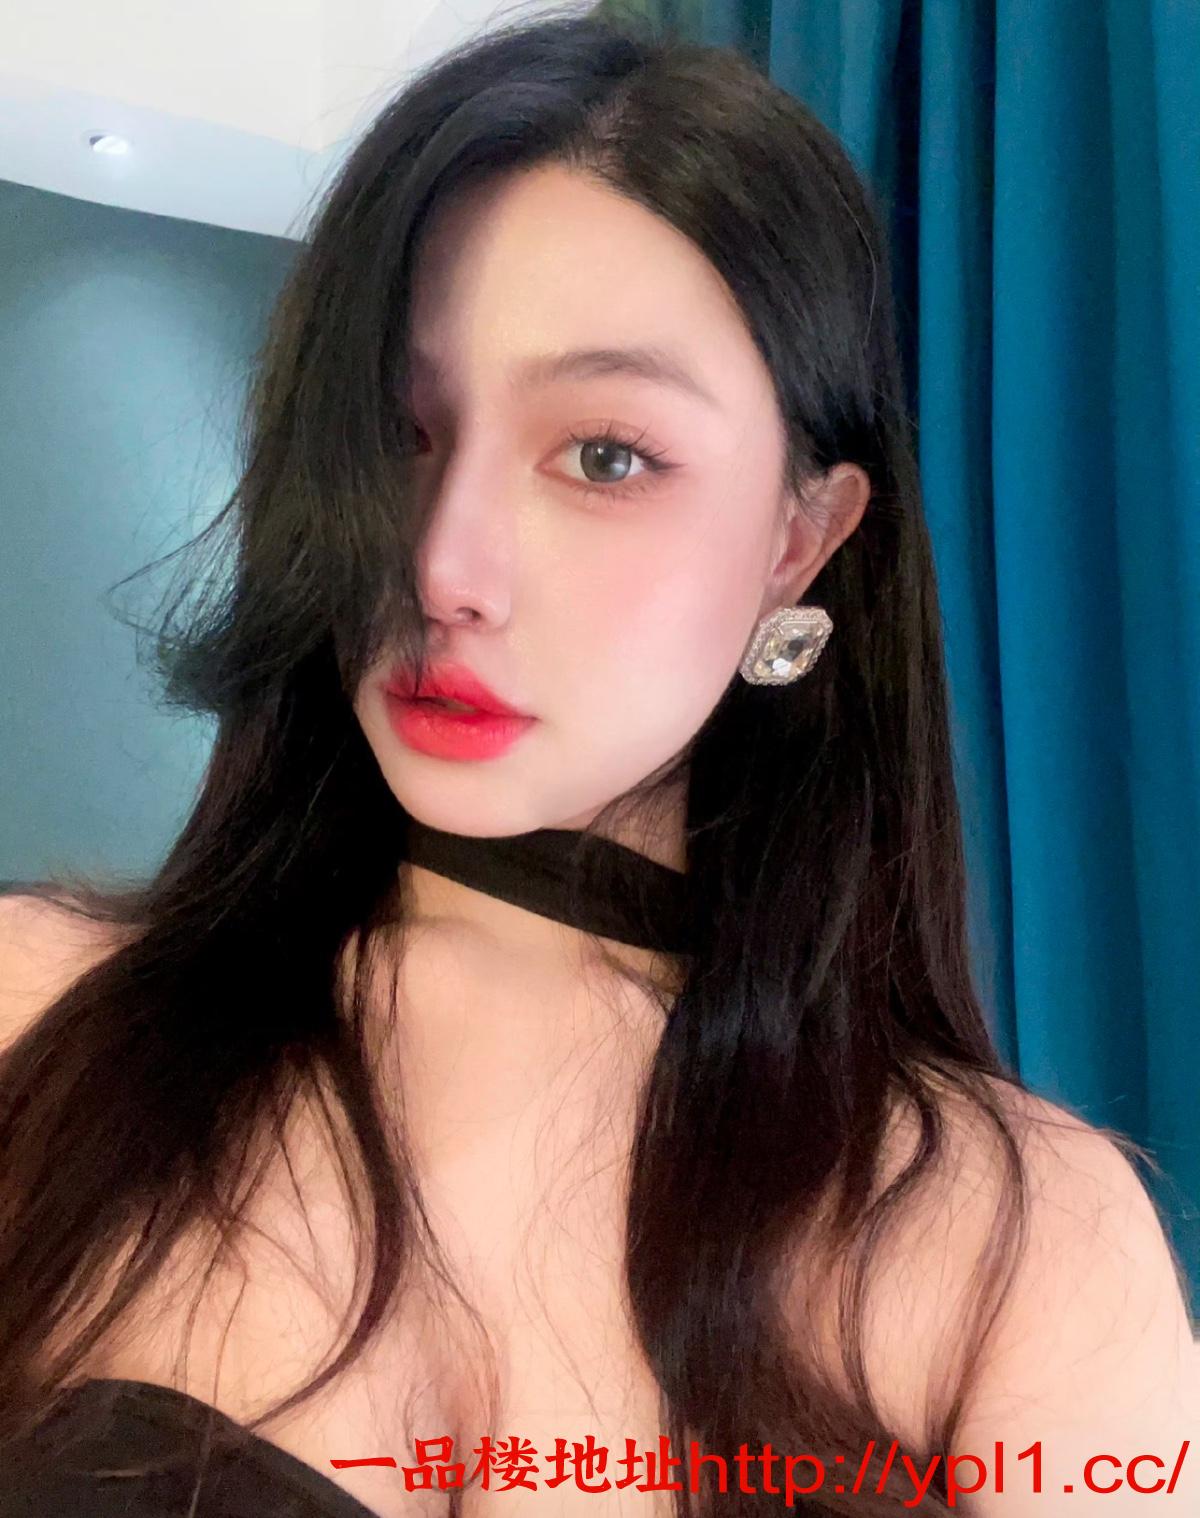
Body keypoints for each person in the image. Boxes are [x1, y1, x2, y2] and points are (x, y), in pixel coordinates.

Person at [0, 6, 1194, 1516]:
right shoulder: (41, 1019)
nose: (443, 568)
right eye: (398, 433)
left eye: (606, 455)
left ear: (800, 541)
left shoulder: (1018, 1243)